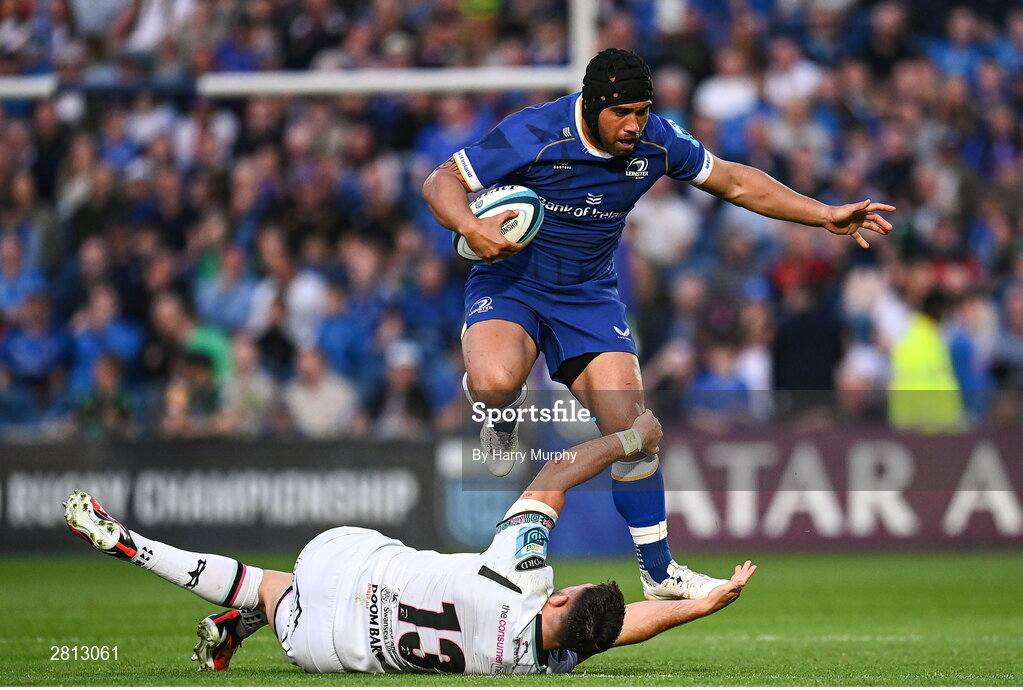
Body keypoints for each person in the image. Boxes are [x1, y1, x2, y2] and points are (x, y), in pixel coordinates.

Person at [421, 47, 893, 599]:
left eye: (642, 111)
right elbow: (440, 182)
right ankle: (499, 412)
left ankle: (659, 571)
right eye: (622, 112)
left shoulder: (658, 140)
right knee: (496, 384)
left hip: (588, 298)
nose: (633, 124)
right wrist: (470, 229)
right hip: (511, 282)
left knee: (634, 432)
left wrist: (824, 214)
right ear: (593, 105)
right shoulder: (536, 130)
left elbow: (736, 183)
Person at [64, 410, 757, 676]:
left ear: (558, 603)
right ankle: (244, 613)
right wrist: (703, 604)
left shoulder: (524, 579)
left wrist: (630, 439)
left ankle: (144, 551)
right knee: (269, 591)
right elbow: (625, 628)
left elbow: (554, 474)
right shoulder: (534, 668)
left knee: (276, 576)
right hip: (327, 652)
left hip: (344, 562)